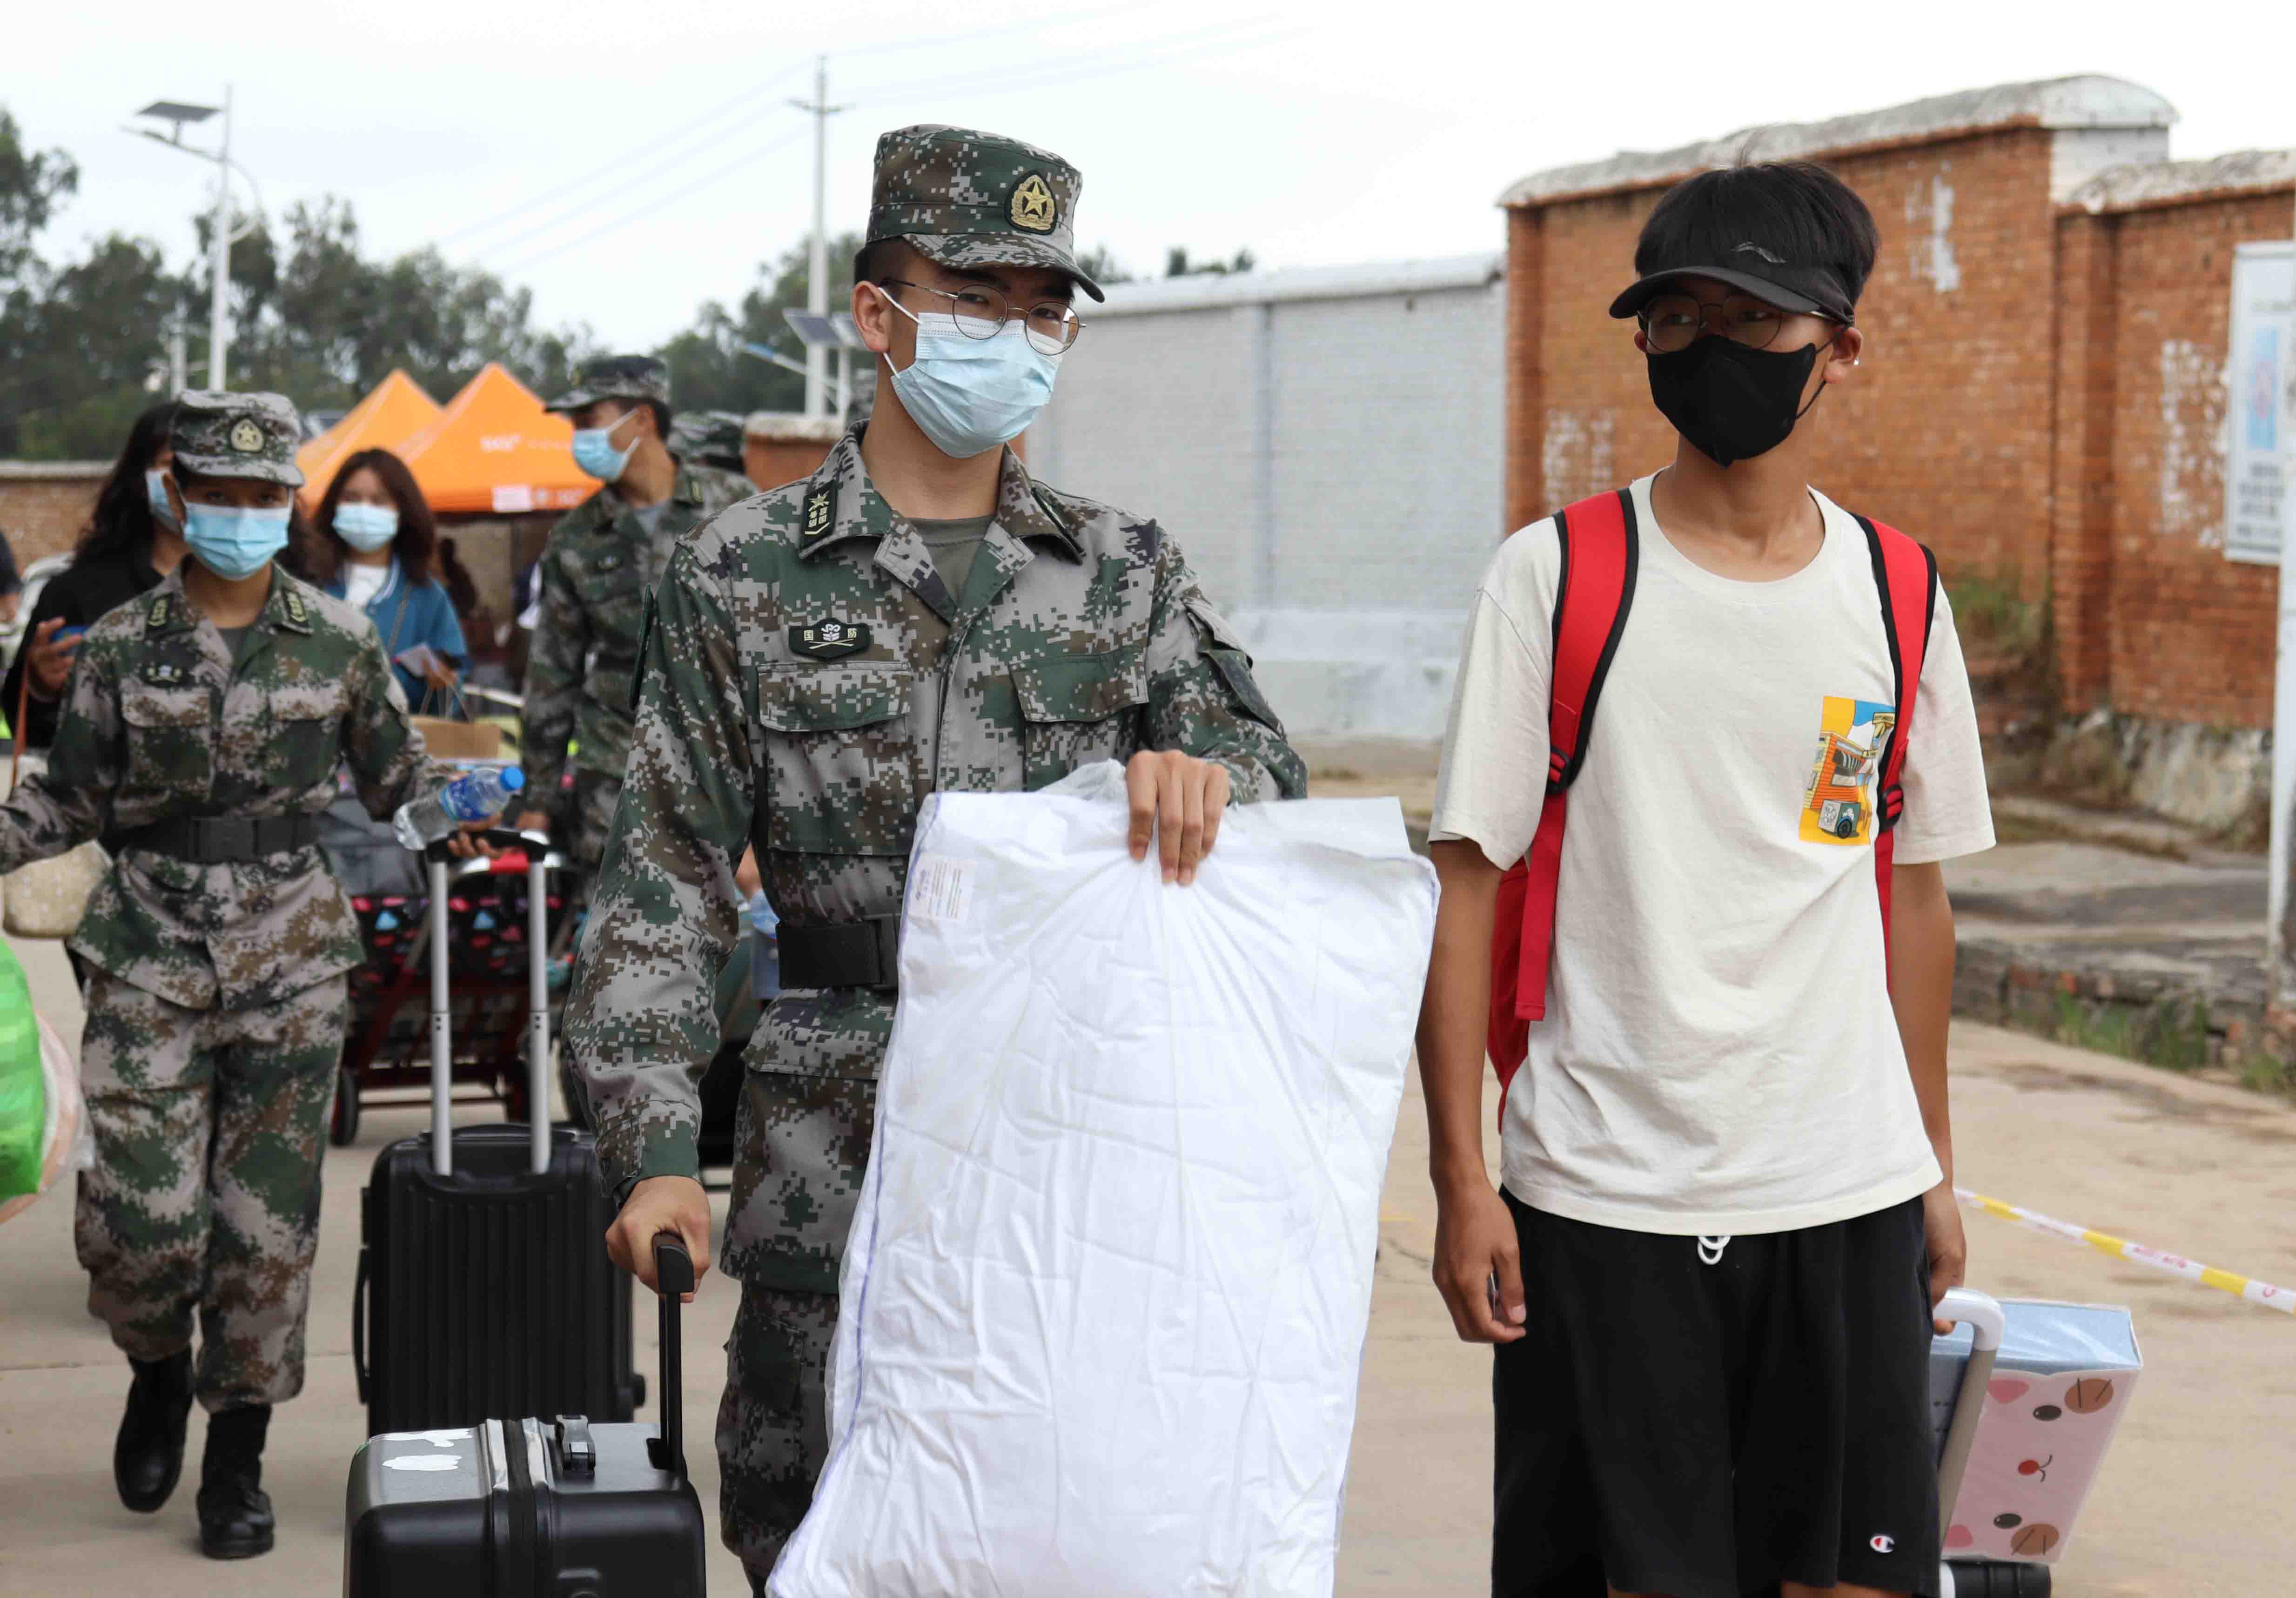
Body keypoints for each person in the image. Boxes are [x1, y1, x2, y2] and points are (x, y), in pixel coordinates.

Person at [567, 125, 1305, 1594]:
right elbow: (660, 878)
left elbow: (1270, 786)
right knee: (810, 1526)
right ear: (878, 313)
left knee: (1064, 1531)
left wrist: (1203, 776)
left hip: (1072, 1146)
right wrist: (653, 1152)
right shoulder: (741, 569)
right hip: (830, 1147)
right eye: (975, 301)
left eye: (1043, 311)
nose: (1013, 339)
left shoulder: (1123, 571)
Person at [1416, 162, 1996, 1598]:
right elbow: (1466, 888)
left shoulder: (1897, 593)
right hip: (1605, 1194)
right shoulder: (1556, 578)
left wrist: (1930, 1169)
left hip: (1845, 1190)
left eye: (1751, 319)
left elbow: (1911, 899)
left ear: (1838, 347)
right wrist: (1460, 1180)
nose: (1709, 350)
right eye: (1676, 319)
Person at [0, 392, 494, 1562]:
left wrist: (472, 811)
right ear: (179, 496)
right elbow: (70, 796)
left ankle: (238, 1456)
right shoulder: (122, 642)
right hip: (149, 951)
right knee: (141, 1226)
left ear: (289, 503)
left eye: (261, 494)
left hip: (291, 957)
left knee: (264, 1233)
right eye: (216, 493)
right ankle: (156, 1369)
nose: (238, 513)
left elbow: (400, 777)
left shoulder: (339, 640)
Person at [515, 356, 753, 894]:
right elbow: (552, 674)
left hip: (728, 765)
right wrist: (537, 800)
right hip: (617, 774)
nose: (578, 438)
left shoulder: (734, 505)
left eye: (588, 421)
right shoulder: (577, 537)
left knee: (736, 930)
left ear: (642, 419)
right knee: (621, 929)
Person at [3, 403, 189, 752]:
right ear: (142, 477)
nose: (192, 481)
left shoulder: (278, 597)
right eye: (175, 465)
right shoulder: (78, 593)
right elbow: (31, 731)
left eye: (208, 467)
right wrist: (41, 689)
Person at [304, 448, 470, 713]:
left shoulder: (427, 597)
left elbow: (452, 689)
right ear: (334, 504)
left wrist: (443, 683)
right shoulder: (307, 583)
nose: (364, 509)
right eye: (352, 498)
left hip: (398, 735)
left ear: (402, 511)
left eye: (379, 500)